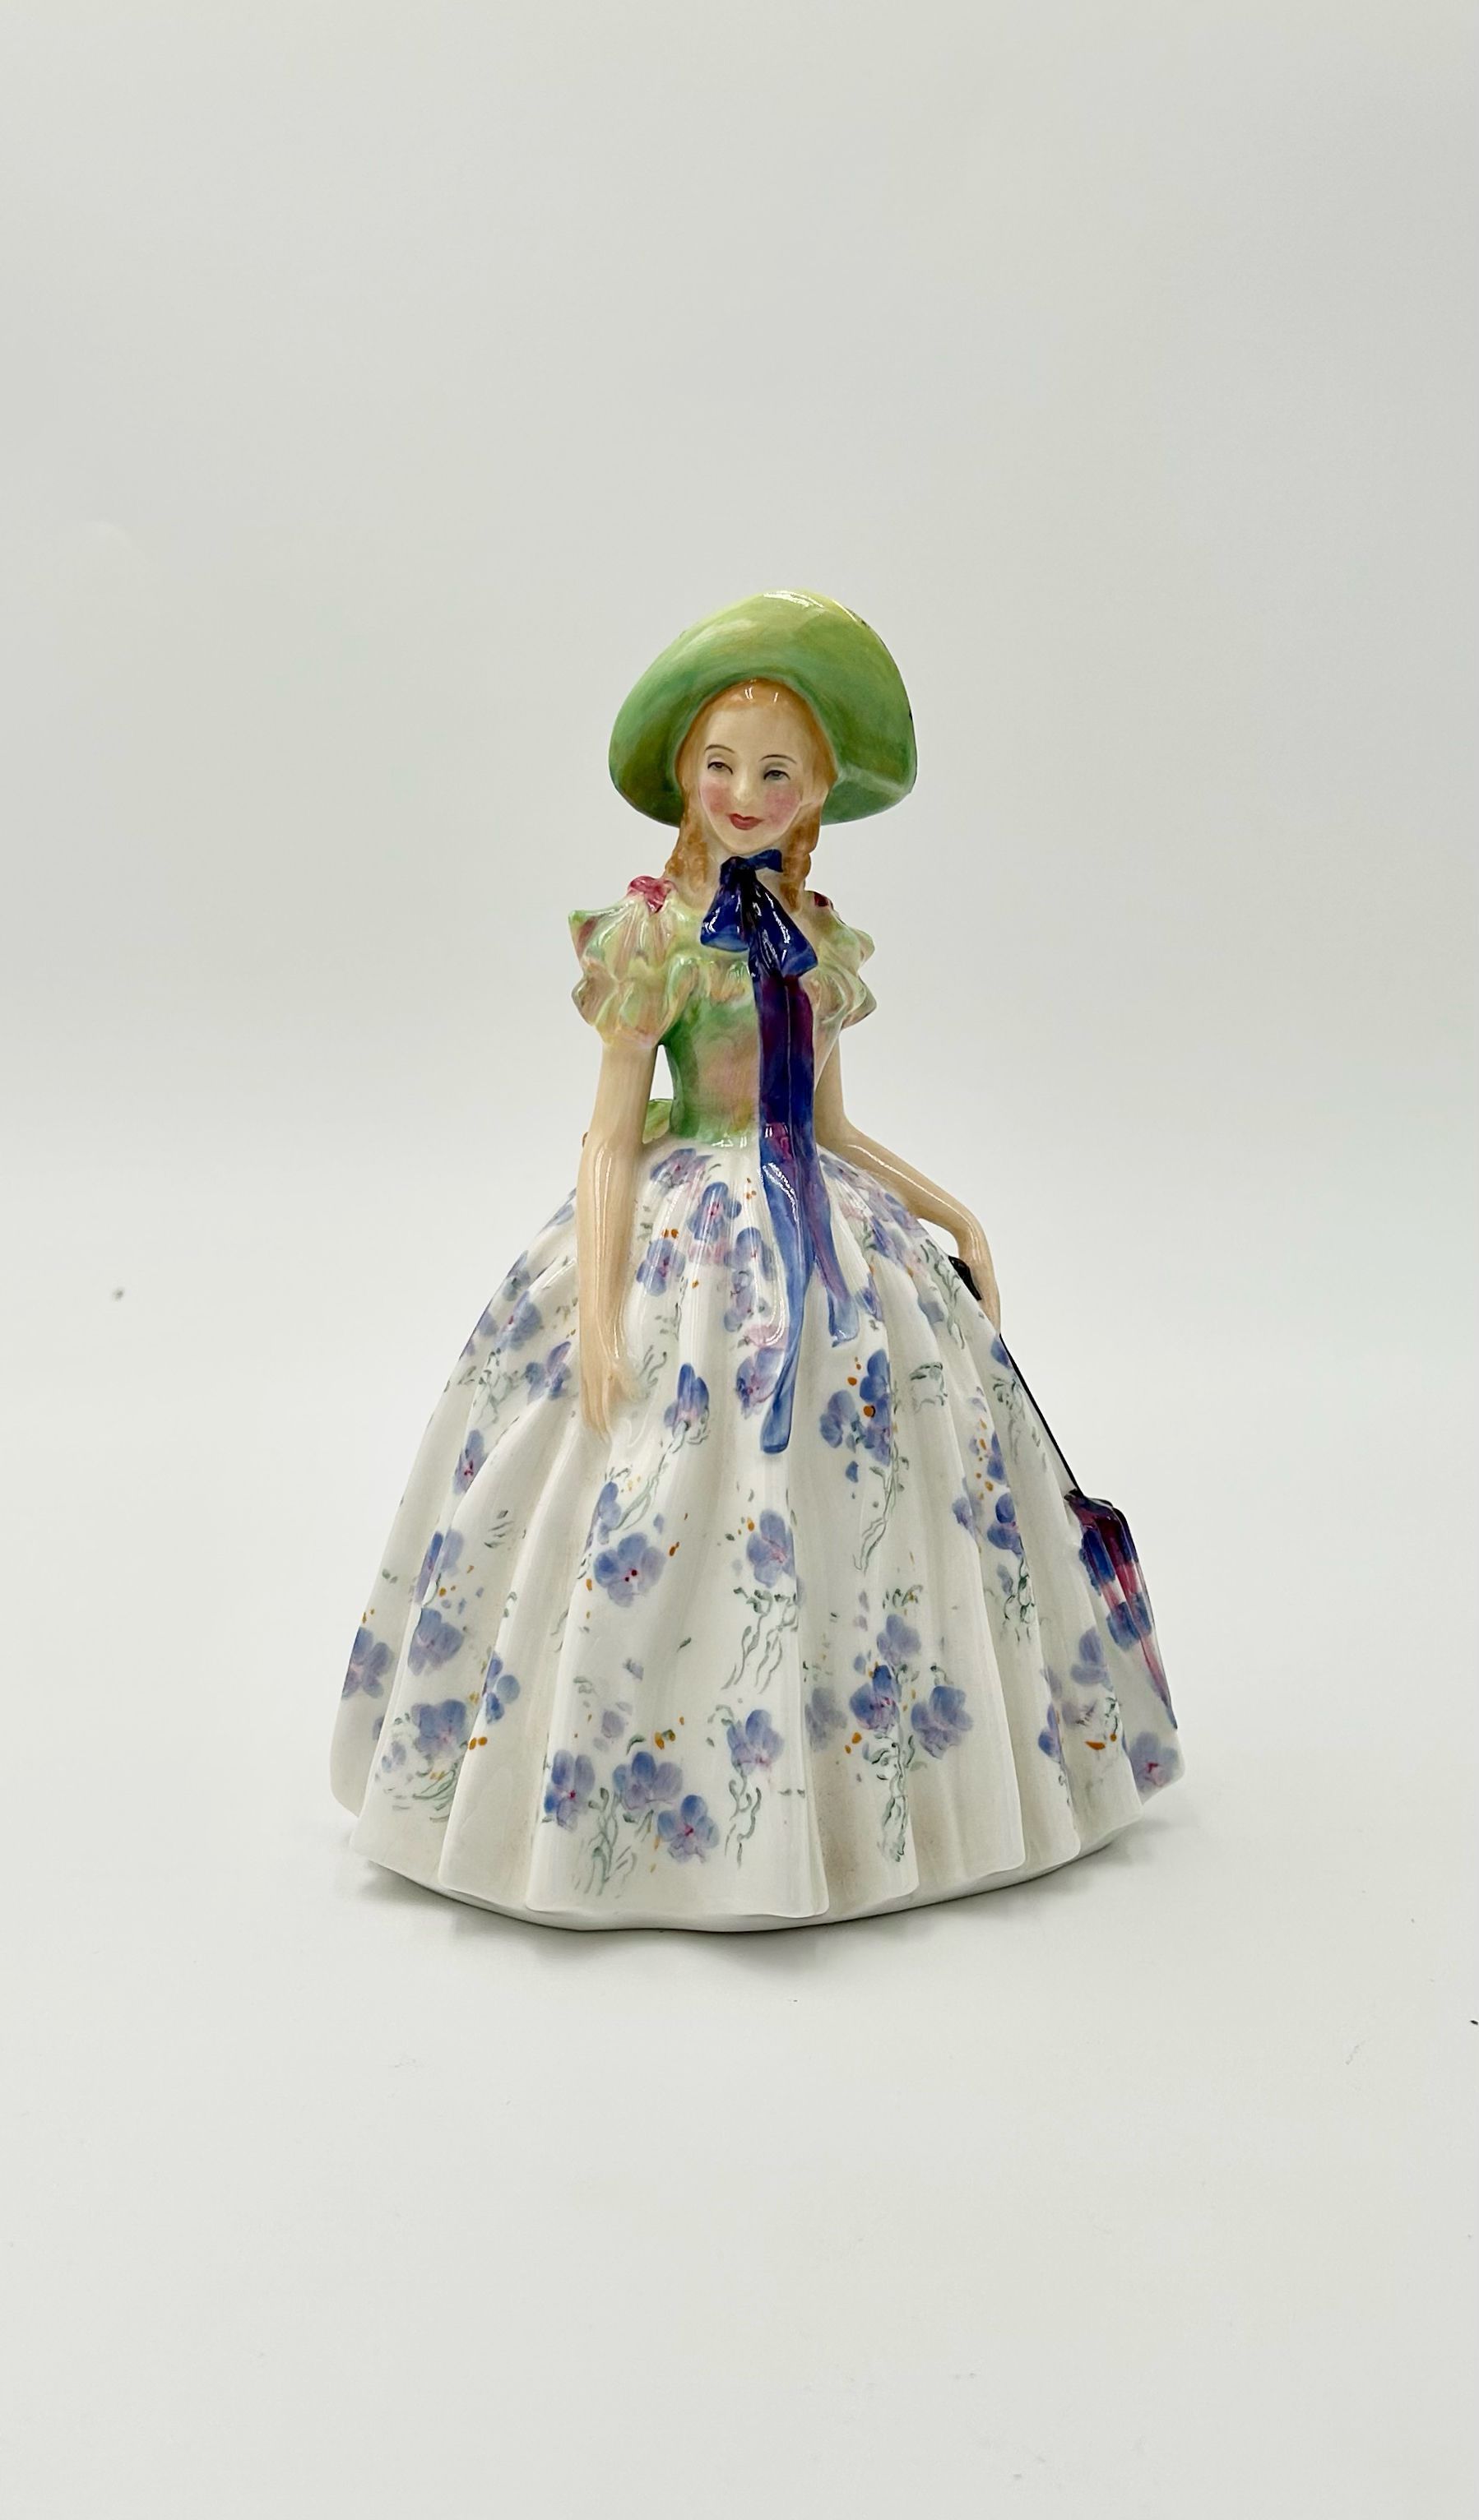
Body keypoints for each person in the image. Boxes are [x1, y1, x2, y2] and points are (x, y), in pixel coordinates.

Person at [330, 588, 1183, 1929]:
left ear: (816, 794)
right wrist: (597, 1311)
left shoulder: (812, 938)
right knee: (652, 1496)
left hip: (825, 1236)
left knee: (878, 1495)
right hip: (687, 1238)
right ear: (685, 778)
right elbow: (610, 1139)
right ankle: (619, 1806)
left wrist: (950, 1211)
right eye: (720, 766)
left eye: (775, 773)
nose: (743, 793)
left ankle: (869, 1796)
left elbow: (829, 1127)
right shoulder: (654, 936)